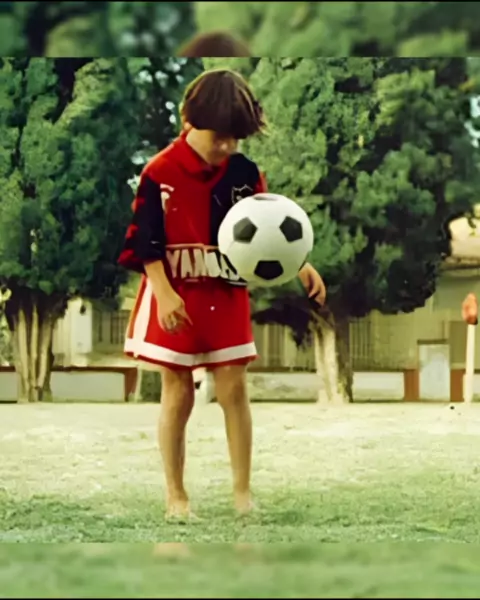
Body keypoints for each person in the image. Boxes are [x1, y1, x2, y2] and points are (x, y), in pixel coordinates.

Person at [118, 68, 326, 521]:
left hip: (225, 295)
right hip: (174, 292)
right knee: (178, 393)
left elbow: (270, 232)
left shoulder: (244, 173)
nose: (227, 147)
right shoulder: (159, 172)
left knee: (234, 388)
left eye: (235, 138)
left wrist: (301, 264)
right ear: (189, 122)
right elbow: (143, 241)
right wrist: (163, 292)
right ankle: (176, 496)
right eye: (219, 138)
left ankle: (242, 494)